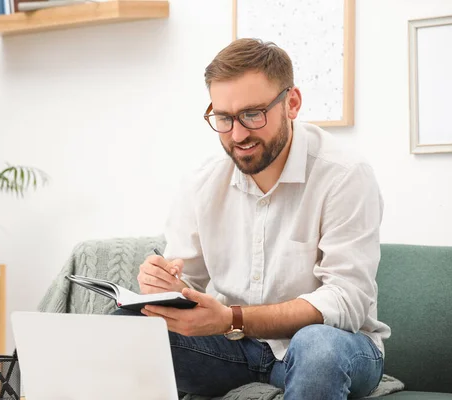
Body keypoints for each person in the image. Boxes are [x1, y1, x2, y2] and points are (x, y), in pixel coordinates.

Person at [116, 38, 391, 399]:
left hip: (337, 348)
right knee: (128, 328)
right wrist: (162, 286)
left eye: (252, 115)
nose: (238, 134)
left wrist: (232, 317)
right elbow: (187, 282)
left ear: (291, 103)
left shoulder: (344, 175)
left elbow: (346, 300)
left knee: (317, 346)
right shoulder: (202, 183)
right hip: (236, 349)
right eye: (224, 118)